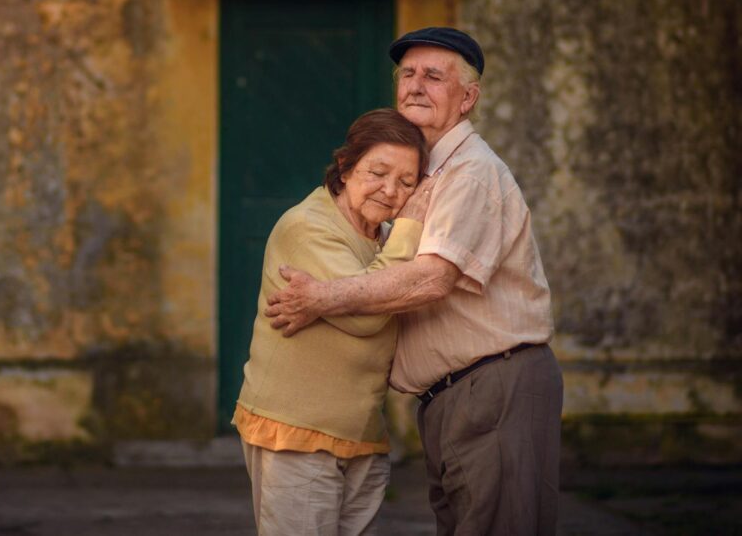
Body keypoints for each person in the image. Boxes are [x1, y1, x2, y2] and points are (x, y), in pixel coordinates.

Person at [265, 27, 563, 536]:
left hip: (493, 387)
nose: (415, 86)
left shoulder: (468, 174)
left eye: (434, 76)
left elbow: (430, 280)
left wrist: (320, 297)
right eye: (407, 75)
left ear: (468, 98)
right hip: (457, 396)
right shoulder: (425, 172)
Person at [235, 108, 431, 536]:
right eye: (377, 172)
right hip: (298, 431)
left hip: (359, 431)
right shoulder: (307, 228)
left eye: (407, 183)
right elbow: (368, 315)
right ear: (345, 167)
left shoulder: (381, 238)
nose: (389, 190)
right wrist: (413, 223)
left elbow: (381, 292)